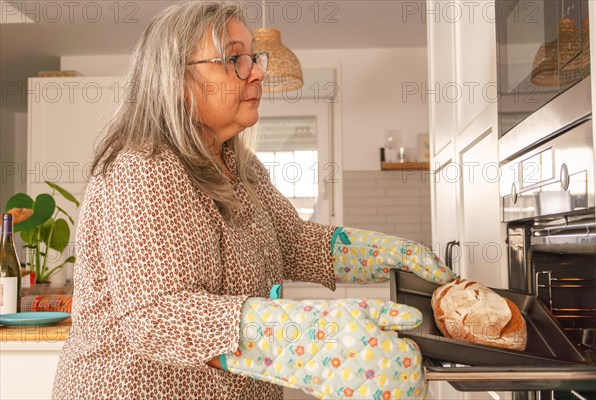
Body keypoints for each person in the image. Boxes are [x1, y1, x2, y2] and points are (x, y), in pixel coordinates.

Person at [51, 3, 455, 399]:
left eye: (253, 57)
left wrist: (392, 256)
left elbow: (293, 242)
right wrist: (305, 336)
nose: (257, 72)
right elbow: (157, 316)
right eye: (235, 59)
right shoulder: (143, 168)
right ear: (175, 80)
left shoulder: (242, 166)